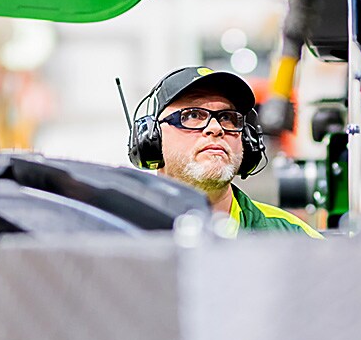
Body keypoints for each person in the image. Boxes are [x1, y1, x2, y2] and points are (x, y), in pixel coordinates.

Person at [129, 66, 322, 238]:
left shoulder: (292, 237)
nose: (216, 128)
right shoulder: (120, 236)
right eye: (193, 115)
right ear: (151, 138)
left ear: (246, 139)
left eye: (228, 117)